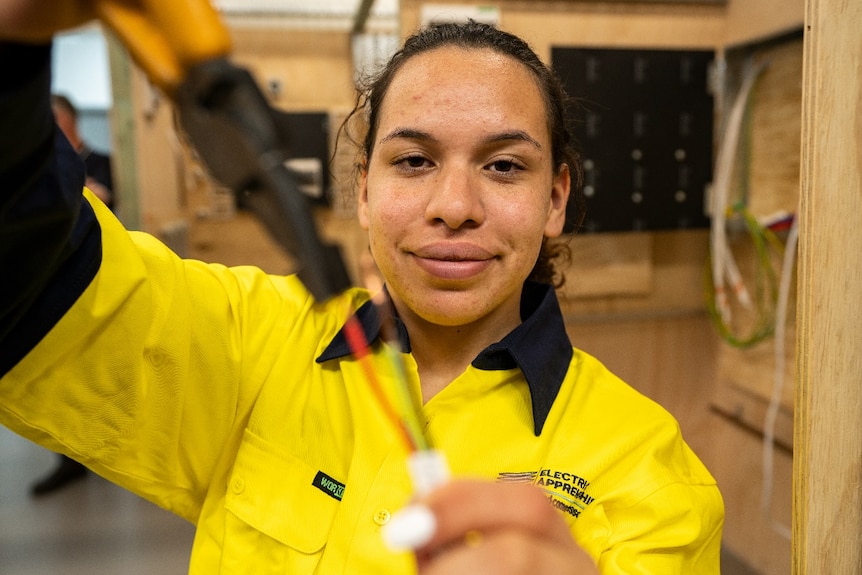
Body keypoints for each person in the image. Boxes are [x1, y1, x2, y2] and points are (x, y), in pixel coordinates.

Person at [0, 4, 723, 574]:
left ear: (556, 198)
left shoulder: (649, 475)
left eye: (504, 166)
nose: (455, 203)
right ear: (365, 191)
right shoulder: (251, 343)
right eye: (414, 159)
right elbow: (38, 280)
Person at [27, 93, 116, 496]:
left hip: (103, 278)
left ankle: (107, 448)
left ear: (66, 122)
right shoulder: (42, 172)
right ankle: (71, 457)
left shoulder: (103, 163)